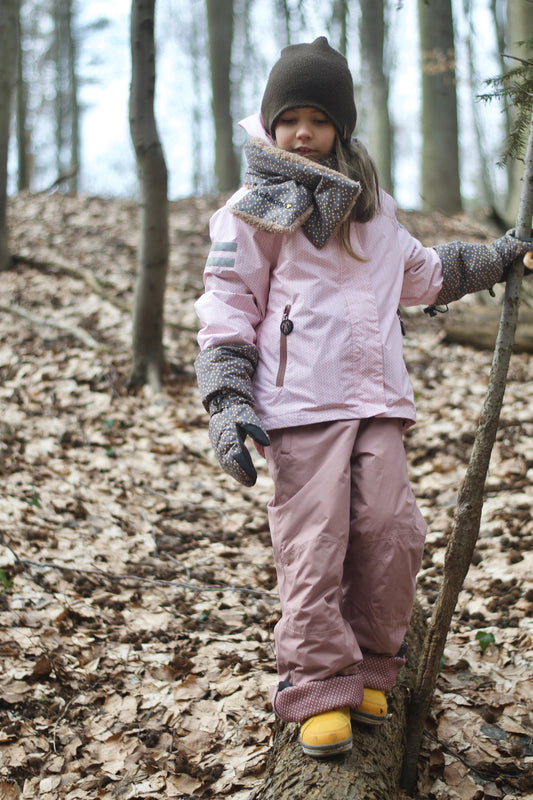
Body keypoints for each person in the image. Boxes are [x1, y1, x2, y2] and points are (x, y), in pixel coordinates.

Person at [193, 37, 533, 758]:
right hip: (297, 405)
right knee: (315, 543)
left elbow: (424, 274)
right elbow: (227, 303)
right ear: (270, 125)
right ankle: (317, 684)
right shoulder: (253, 210)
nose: (303, 133)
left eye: (318, 118)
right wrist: (227, 399)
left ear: (341, 127)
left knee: (391, 532)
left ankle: (375, 666)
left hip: (375, 401)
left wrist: (501, 256)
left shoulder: (373, 213)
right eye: (289, 119)